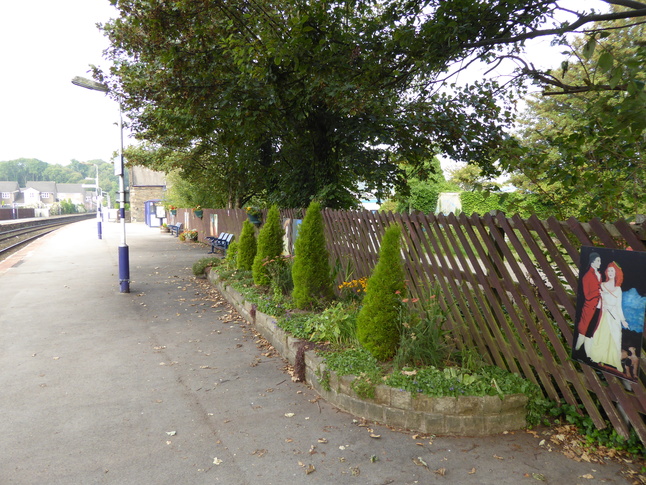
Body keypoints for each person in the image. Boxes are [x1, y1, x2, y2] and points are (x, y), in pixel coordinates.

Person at [587, 262, 629, 370]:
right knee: (601, 336)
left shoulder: (618, 289)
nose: (610, 273)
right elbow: (597, 304)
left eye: (613, 271)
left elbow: (618, 306)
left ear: (617, 273)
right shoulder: (602, 285)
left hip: (614, 317)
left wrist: (623, 320)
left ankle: (614, 361)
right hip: (604, 315)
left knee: (615, 338)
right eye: (609, 270)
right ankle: (599, 357)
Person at [574, 252, 602, 357]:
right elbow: (587, 295)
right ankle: (578, 350)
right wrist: (599, 291)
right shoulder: (587, 276)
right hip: (589, 307)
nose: (600, 263)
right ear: (592, 261)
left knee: (591, 331)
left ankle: (588, 355)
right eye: (598, 261)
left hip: (598, 306)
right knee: (583, 330)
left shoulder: (599, 275)